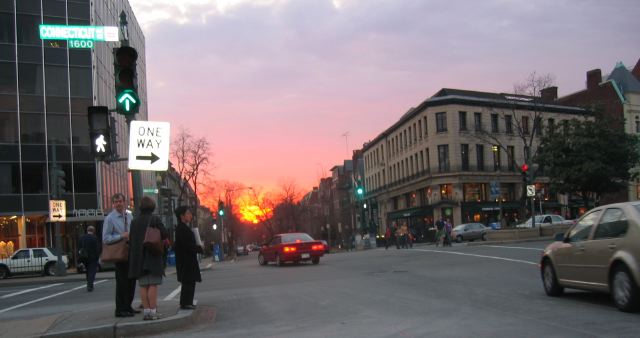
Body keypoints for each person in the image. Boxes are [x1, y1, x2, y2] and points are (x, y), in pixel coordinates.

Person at [128, 196, 168, 321]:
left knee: (143, 285)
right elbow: (165, 234)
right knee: (153, 284)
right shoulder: (154, 219)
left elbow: (131, 240)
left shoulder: (134, 222)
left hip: (138, 258)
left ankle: (146, 312)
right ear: (152, 206)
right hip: (152, 255)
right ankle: (153, 311)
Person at [103, 193, 139, 317]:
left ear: (124, 202)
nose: (118, 203)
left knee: (131, 280)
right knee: (122, 282)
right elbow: (106, 238)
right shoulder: (110, 218)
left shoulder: (129, 216)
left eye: (120, 201)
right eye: (116, 201)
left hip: (130, 250)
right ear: (113, 204)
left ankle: (128, 306)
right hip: (120, 252)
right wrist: (120, 236)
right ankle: (120, 309)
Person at [173, 206, 202, 310]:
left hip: (188, 260)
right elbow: (186, 245)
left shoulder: (184, 227)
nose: (190, 215)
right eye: (188, 213)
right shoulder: (181, 228)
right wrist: (198, 248)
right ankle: (185, 303)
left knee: (190, 281)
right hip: (186, 261)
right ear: (182, 216)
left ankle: (187, 302)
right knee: (188, 281)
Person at [79, 226, 99, 292]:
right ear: (93, 231)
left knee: (87, 270)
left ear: (87, 230)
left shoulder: (82, 237)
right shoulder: (94, 238)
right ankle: (90, 285)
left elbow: (79, 247)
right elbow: (97, 248)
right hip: (93, 257)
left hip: (84, 257)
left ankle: (89, 283)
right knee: (92, 271)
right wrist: (98, 257)